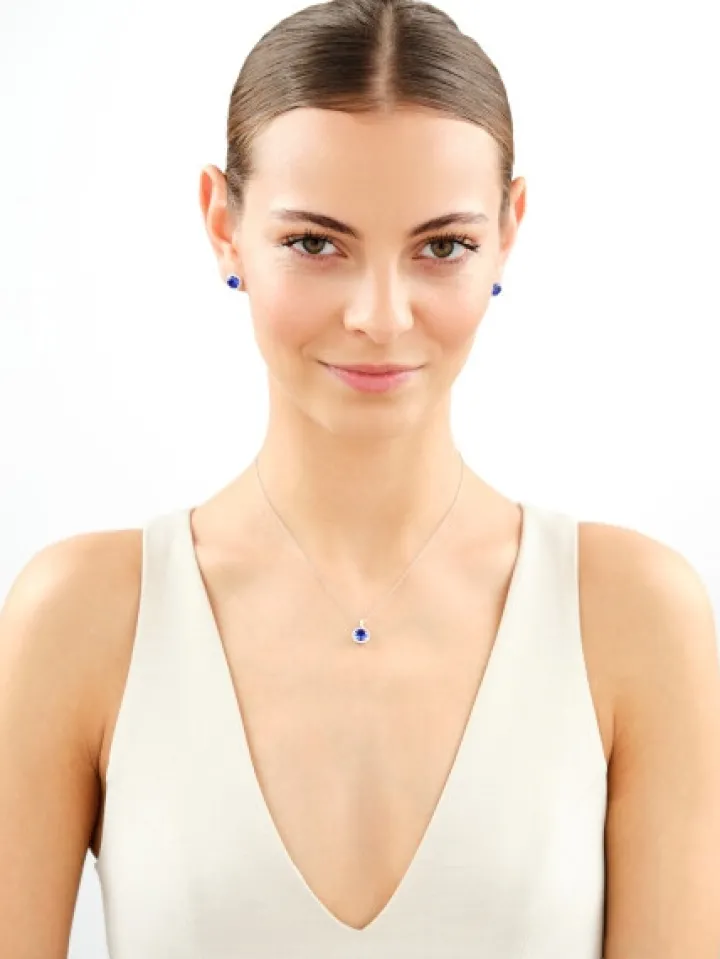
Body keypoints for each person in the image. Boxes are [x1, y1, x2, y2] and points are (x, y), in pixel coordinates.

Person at [2, 0, 720, 956]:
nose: (380, 316)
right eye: (315, 243)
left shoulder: (635, 618)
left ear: (508, 231)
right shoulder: (81, 619)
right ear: (223, 224)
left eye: (442, 246)